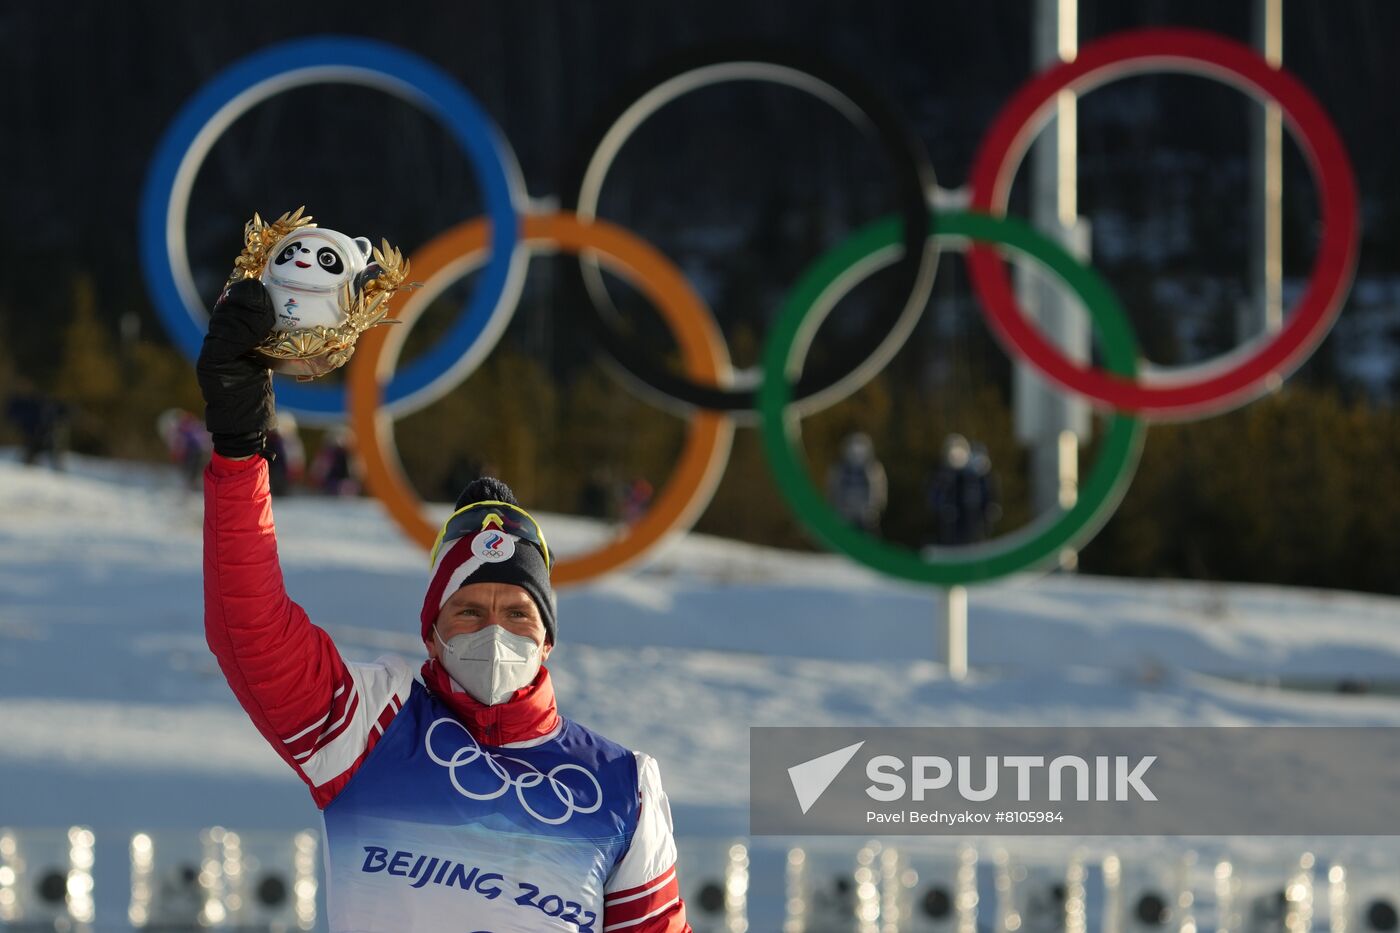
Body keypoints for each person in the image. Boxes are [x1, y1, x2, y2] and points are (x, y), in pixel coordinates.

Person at [196, 280, 692, 933]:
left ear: (546, 638)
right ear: (432, 632)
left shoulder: (623, 785)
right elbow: (250, 628)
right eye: (468, 611)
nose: (494, 630)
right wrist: (240, 450)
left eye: (518, 613)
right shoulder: (370, 725)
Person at [927, 434, 1000, 546]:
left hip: (974, 523)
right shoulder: (945, 476)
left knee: (976, 539)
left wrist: (990, 506)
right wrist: (943, 507)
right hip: (952, 528)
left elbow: (988, 492)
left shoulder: (975, 477)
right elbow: (936, 496)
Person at [825, 432, 888, 533]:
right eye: (854, 451)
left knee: (867, 541)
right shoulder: (839, 470)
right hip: (845, 516)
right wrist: (838, 510)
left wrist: (874, 510)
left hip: (867, 518)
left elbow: (879, 492)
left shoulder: (874, 470)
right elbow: (833, 492)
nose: (857, 455)